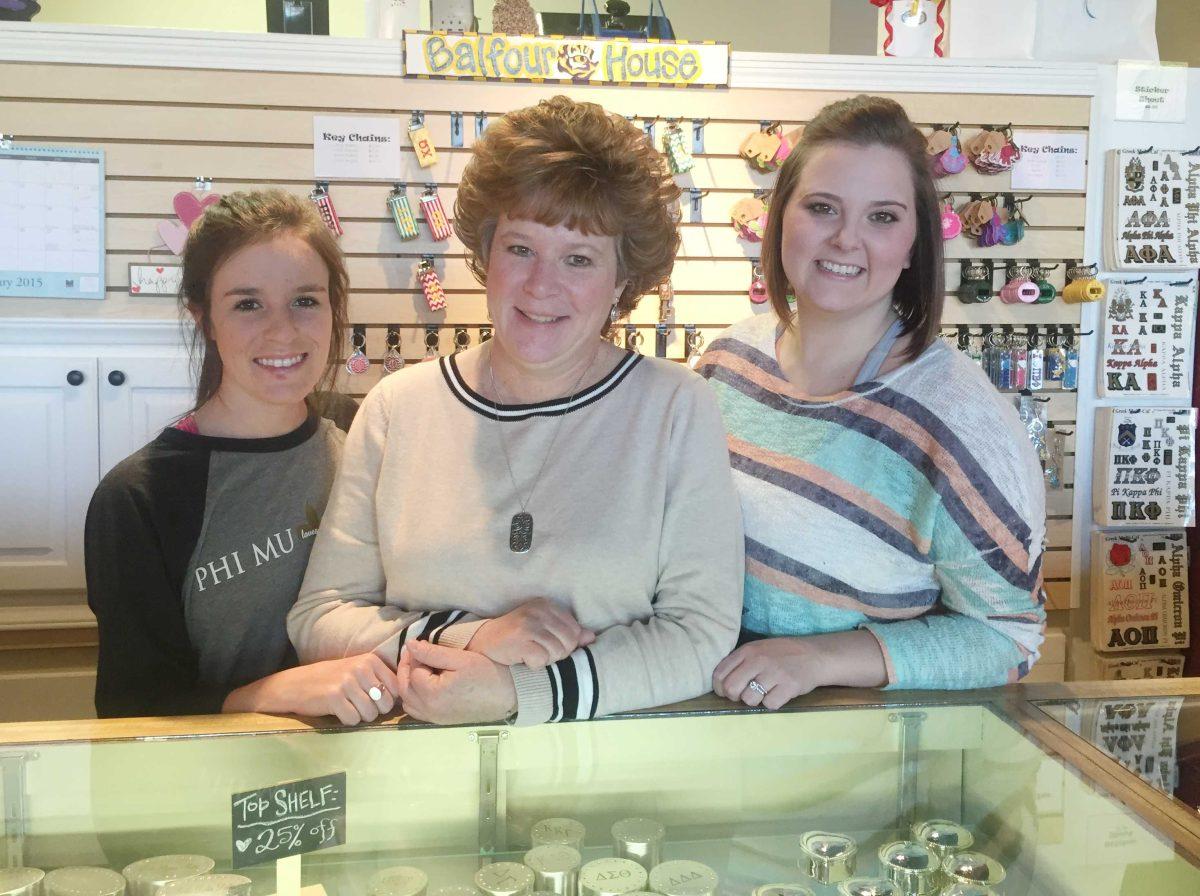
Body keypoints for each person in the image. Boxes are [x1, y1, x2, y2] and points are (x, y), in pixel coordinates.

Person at [288, 95, 744, 726]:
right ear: (485, 254)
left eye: (579, 259)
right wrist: (469, 639)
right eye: (521, 249)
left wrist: (518, 693)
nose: (541, 285)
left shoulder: (674, 407)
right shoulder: (398, 408)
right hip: (420, 774)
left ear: (622, 281)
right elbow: (321, 615)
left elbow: (700, 633)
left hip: (612, 780)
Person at [696, 96, 1047, 709]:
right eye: (822, 207)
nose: (845, 238)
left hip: (860, 754)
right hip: (702, 715)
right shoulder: (725, 363)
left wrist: (820, 658)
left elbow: (1007, 638)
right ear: (781, 219)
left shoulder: (959, 417)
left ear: (915, 243)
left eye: (882, 217)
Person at [86, 190, 400, 723]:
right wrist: (271, 693)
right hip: (223, 783)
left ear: (333, 308)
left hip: (371, 754)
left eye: (305, 300)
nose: (282, 330)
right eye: (247, 304)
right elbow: (132, 706)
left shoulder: (358, 429)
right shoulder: (138, 497)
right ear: (205, 318)